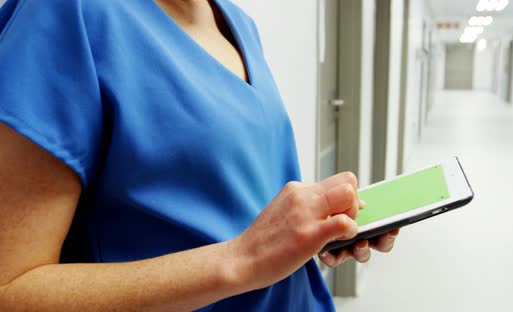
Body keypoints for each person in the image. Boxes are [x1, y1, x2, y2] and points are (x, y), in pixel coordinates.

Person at [0, 0, 399, 311]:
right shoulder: (67, 14)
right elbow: (10, 290)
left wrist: (312, 230)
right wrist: (240, 260)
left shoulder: (238, 23)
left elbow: (228, 196)